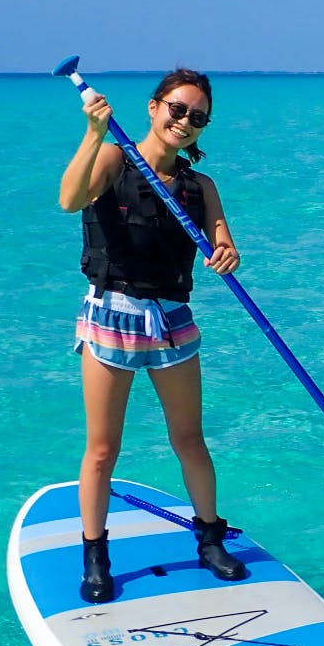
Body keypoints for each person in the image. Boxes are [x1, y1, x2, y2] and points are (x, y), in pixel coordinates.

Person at [58, 68, 248, 603]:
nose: (185, 122)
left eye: (198, 117)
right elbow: (69, 199)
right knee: (102, 449)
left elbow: (223, 247)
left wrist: (227, 256)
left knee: (189, 439)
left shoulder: (201, 186)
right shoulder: (115, 158)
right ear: (153, 106)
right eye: (177, 109)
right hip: (112, 315)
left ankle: (209, 538)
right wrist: (94, 134)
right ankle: (95, 552)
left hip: (171, 321)